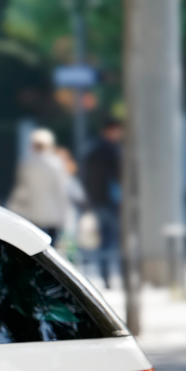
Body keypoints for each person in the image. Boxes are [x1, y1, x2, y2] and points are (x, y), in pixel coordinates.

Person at [6, 127, 72, 242]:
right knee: (52, 248)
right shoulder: (55, 164)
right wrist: (65, 215)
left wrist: (13, 209)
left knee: (35, 246)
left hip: (33, 213)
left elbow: (22, 190)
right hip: (53, 213)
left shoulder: (27, 164)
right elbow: (61, 190)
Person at [80, 119, 124, 285]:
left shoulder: (91, 149)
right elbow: (120, 176)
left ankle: (105, 275)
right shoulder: (113, 150)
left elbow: (84, 177)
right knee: (112, 238)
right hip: (111, 200)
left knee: (103, 238)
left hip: (96, 199)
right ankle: (111, 276)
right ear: (112, 130)